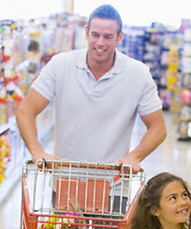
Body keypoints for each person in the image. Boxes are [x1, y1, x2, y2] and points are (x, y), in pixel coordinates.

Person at [16, 4, 166, 171]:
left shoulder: (138, 74)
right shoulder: (61, 65)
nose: (100, 43)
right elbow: (25, 110)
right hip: (66, 179)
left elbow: (158, 128)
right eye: (95, 35)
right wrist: (36, 151)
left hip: (114, 183)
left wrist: (134, 157)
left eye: (108, 37)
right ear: (86, 33)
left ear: (120, 37)